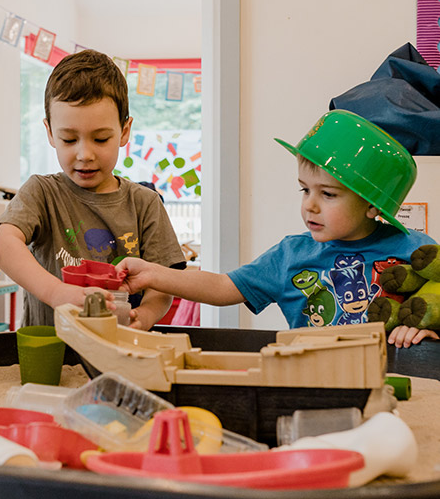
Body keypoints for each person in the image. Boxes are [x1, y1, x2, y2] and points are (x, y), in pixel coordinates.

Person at [0, 48, 185, 499]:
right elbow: (5, 243)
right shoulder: (42, 193)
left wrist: (146, 316)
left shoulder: (143, 202)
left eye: (100, 137)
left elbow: (170, 276)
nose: (84, 153)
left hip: (124, 375)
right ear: (48, 130)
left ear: (125, 131)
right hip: (53, 373)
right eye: (69, 136)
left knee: (127, 497)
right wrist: (58, 293)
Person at [117, 109, 438, 349]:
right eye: (305, 190)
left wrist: (430, 332)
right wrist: (152, 273)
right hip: (313, 389)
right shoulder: (290, 255)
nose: (310, 205)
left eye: (327, 194)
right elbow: (222, 287)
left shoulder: (415, 252)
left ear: (373, 205)